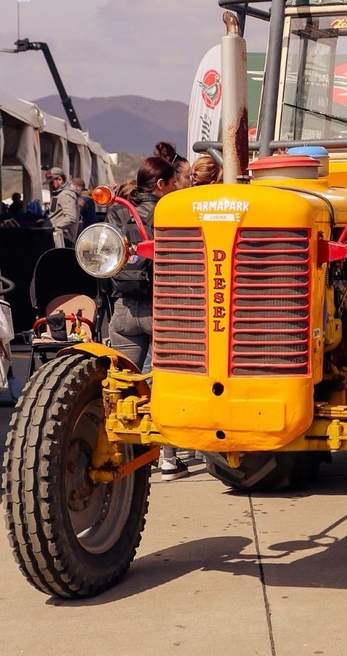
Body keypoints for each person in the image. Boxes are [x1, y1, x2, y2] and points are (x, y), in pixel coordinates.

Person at [104, 156, 188, 480]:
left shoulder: (119, 209)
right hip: (162, 308)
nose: (178, 187)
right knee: (161, 383)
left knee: (124, 385)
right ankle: (168, 458)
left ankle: (121, 452)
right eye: (175, 182)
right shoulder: (171, 211)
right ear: (161, 184)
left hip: (123, 307)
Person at [45, 167, 80, 245]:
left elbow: (71, 218)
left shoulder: (66, 194)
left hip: (62, 239)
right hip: (57, 236)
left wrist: (54, 227)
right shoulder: (59, 194)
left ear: (60, 179)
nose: (50, 185)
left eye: (51, 182)